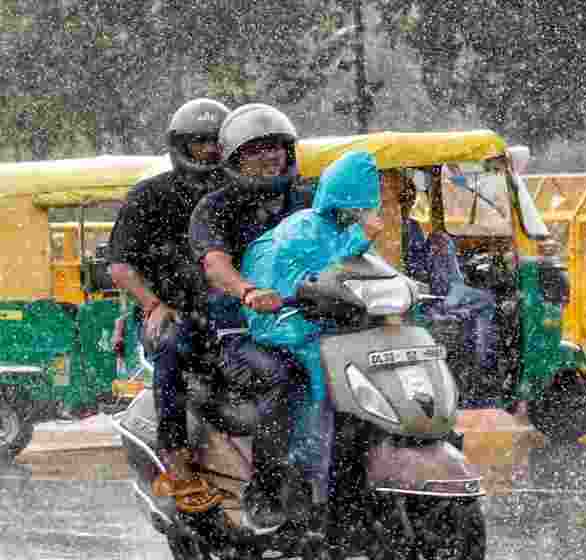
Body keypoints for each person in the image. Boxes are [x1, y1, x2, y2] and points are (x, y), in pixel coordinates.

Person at [188, 102, 308, 534]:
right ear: (234, 158)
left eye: (276, 146)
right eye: (256, 149)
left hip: (309, 321)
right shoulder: (214, 208)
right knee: (281, 376)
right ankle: (267, 490)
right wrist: (247, 291)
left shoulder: (306, 198)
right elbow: (215, 264)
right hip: (242, 333)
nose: (271, 155)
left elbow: (343, 241)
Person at [107, 98, 231, 514]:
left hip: (236, 308)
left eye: (217, 143)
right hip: (174, 310)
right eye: (201, 145)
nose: (211, 152)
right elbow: (121, 266)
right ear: (181, 146)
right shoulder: (151, 195)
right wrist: (153, 304)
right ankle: (177, 462)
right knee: (174, 346)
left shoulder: (239, 192)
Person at [239, 150, 383, 505]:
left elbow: (363, 270)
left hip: (327, 329)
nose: (361, 211)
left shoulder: (341, 229)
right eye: (357, 204)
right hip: (290, 328)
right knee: (308, 389)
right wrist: (362, 236)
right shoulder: (305, 228)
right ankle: (285, 480)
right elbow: (328, 272)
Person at [398, 175, 498, 378]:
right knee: (485, 301)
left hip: (423, 284)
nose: (411, 201)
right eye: (408, 196)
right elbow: (418, 263)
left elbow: (418, 257)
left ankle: (473, 358)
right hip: (432, 290)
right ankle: (483, 366)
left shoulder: (404, 226)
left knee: (440, 239)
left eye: (412, 196)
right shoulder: (406, 227)